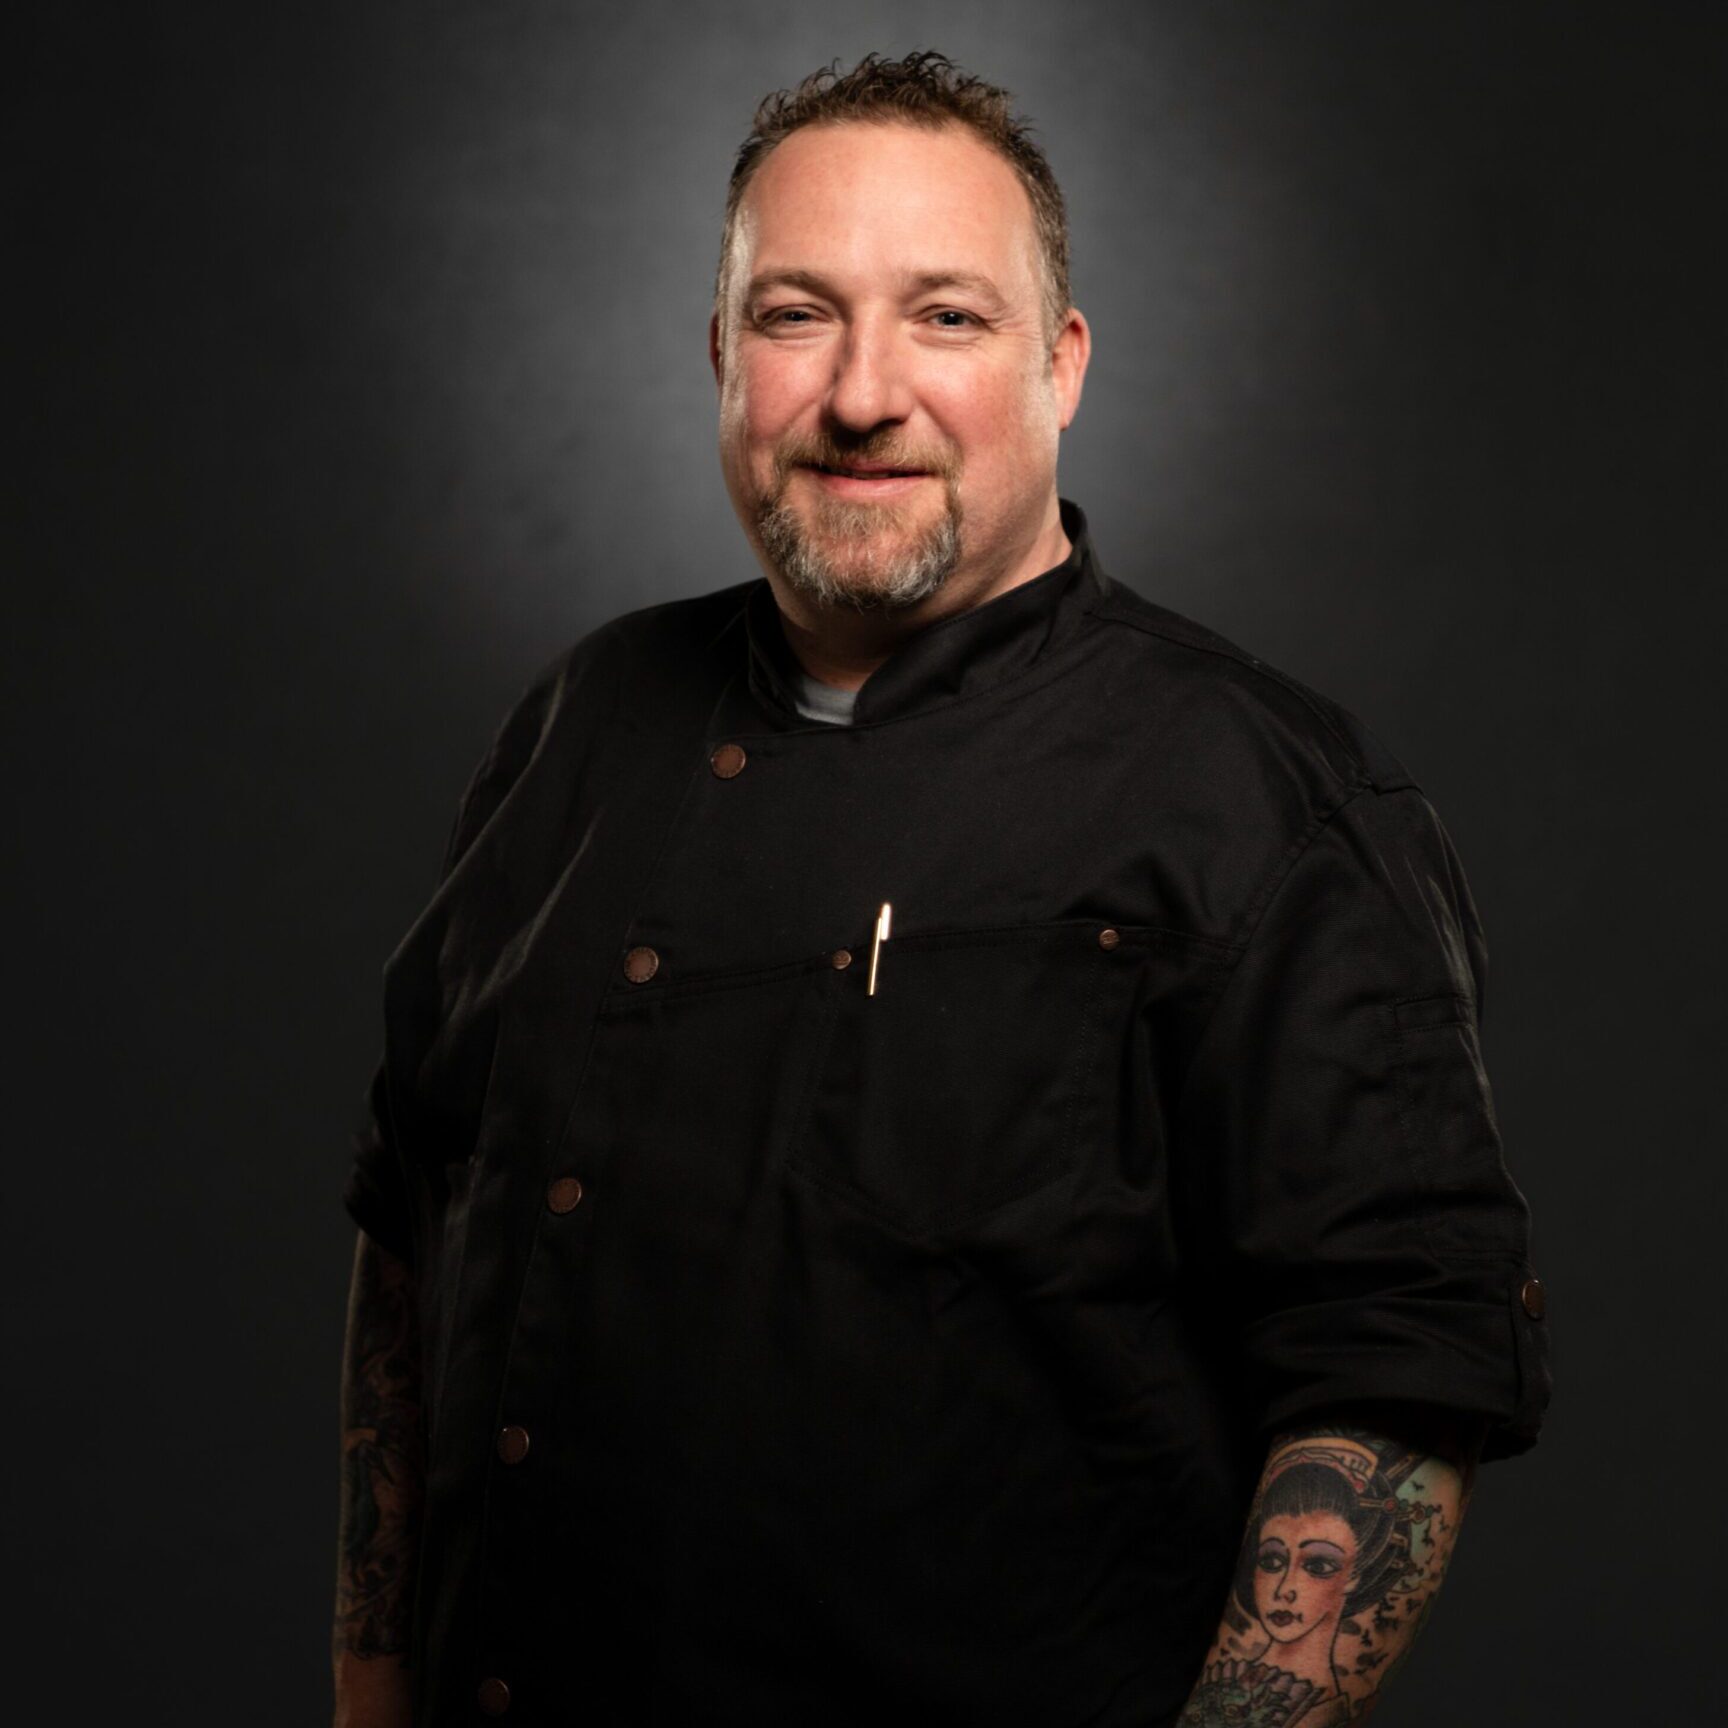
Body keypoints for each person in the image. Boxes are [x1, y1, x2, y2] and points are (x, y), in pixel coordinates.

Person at [332, 51, 1550, 1728]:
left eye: (948, 319)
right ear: (717, 356)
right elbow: (413, 1222)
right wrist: (369, 1692)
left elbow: (1397, 1369)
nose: (861, 392)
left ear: (1063, 365)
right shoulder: (579, 728)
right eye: (794, 315)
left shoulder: (1259, 797)